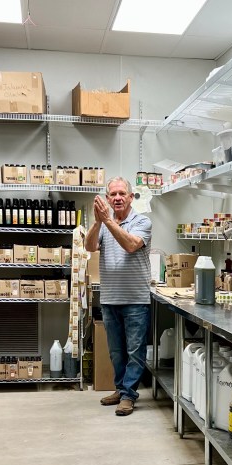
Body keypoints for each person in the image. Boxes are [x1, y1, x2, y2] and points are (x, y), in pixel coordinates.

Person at [85, 177, 152, 416]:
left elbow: (131, 245)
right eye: (112, 194)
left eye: (122, 193)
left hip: (135, 299)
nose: (117, 198)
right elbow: (89, 247)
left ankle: (128, 395)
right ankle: (121, 389)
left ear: (131, 197)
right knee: (116, 351)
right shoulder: (104, 223)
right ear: (107, 198)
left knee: (135, 351)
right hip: (110, 298)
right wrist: (97, 223)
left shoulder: (142, 221)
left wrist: (107, 221)